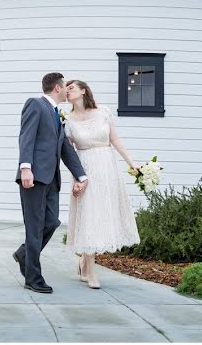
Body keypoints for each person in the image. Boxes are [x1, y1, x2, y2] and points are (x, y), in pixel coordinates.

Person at [13, 72, 88, 294]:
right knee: (34, 228)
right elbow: (26, 136)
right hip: (34, 177)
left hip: (52, 179)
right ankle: (33, 278)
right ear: (57, 87)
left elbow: (65, 147)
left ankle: (24, 254)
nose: (67, 90)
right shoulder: (35, 104)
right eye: (66, 86)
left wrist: (81, 175)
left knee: (52, 222)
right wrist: (25, 167)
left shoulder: (57, 114)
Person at [63, 79, 141, 289]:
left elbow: (115, 140)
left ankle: (85, 264)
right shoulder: (68, 121)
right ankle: (90, 272)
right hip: (85, 169)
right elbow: (69, 153)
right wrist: (78, 178)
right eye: (66, 89)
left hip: (107, 168)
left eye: (71, 88)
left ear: (83, 91)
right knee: (89, 215)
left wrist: (131, 163)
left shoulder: (103, 112)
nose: (67, 91)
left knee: (101, 214)